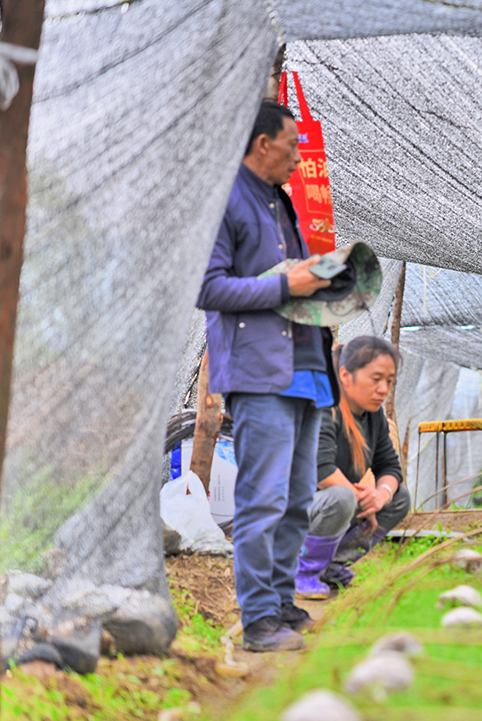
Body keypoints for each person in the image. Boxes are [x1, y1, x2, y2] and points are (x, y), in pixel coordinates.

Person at [197, 101, 334, 651]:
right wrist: (285, 288)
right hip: (260, 374)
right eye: (292, 146)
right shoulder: (227, 198)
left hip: (307, 370)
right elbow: (208, 288)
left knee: (299, 497)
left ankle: (279, 603)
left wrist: (327, 284)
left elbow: (297, 280)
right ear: (262, 145)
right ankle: (257, 622)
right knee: (263, 499)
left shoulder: (280, 202)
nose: (298, 158)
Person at [295, 335, 410, 600]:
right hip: (293, 513)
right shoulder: (322, 407)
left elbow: (390, 467)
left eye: (389, 382)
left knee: (398, 497)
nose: (384, 389)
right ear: (346, 376)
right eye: (376, 378)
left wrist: (379, 497)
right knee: (341, 496)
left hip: (335, 506)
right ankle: (303, 571)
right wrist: (362, 502)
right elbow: (321, 471)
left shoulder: (373, 416)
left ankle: (332, 566)